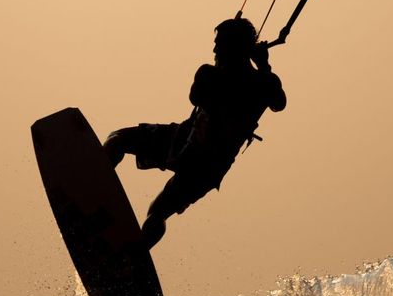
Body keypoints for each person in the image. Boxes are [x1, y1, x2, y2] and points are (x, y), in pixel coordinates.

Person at [103, 17, 287, 249]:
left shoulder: (210, 74)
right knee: (158, 212)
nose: (214, 49)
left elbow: (196, 96)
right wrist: (263, 66)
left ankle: (91, 194)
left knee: (117, 140)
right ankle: (134, 256)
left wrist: (243, 70)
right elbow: (278, 103)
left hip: (185, 146)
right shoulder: (264, 82)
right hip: (210, 167)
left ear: (232, 48)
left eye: (219, 44)